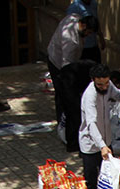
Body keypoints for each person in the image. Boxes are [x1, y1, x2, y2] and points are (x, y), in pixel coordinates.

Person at [47, 14, 99, 151]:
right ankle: (63, 127)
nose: (87, 36)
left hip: (69, 64)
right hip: (58, 64)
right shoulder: (70, 40)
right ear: (83, 26)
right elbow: (66, 67)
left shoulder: (75, 18)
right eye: (88, 32)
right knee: (63, 96)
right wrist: (70, 87)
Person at [79, 63, 120, 189]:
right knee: (91, 183)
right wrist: (102, 145)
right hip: (91, 145)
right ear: (93, 80)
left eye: (106, 83)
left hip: (106, 142)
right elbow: (91, 123)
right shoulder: (89, 96)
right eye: (100, 85)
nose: (104, 87)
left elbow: (119, 96)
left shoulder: (108, 87)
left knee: (110, 178)